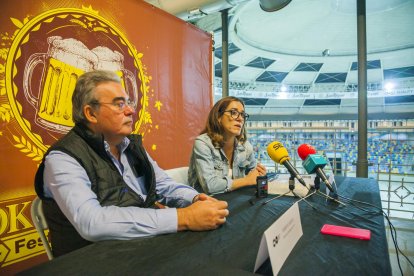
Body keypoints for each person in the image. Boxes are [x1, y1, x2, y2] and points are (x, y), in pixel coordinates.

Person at [34, 70, 229, 257]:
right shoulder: (62, 158)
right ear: (91, 113)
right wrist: (184, 218)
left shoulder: (131, 146)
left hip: (141, 251)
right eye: (119, 104)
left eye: (128, 102)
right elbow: (91, 223)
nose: (130, 110)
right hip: (91, 262)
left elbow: (163, 186)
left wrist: (196, 200)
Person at [188, 96, 266, 194]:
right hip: (207, 203)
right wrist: (246, 181)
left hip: (235, 200)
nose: (240, 119)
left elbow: (254, 176)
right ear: (218, 117)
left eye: (242, 115)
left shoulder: (245, 147)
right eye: (233, 113)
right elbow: (210, 186)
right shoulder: (203, 143)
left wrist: (259, 174)